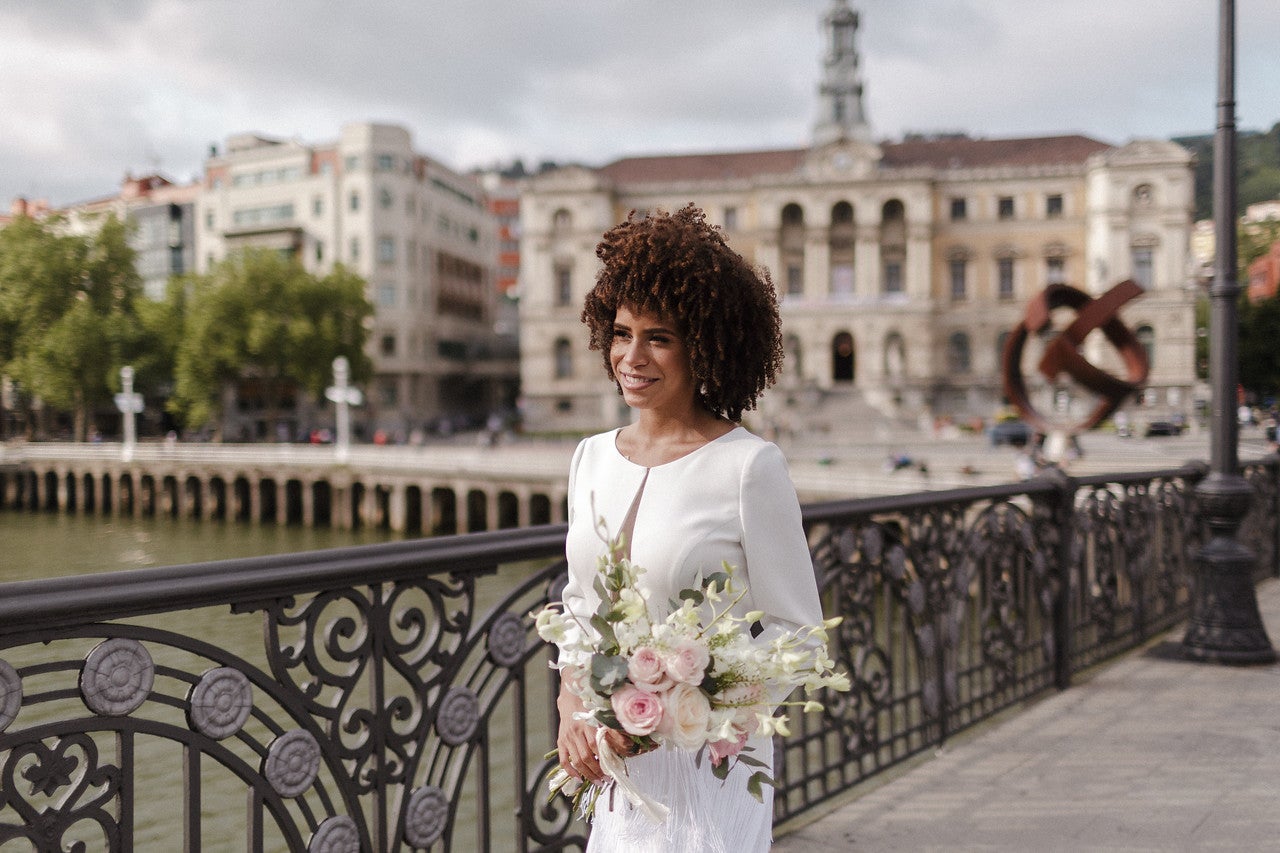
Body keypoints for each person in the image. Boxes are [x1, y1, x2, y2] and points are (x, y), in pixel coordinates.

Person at [555, 206, 825, 852]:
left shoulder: (748, 466)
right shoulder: (589, 458)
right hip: (618, 766)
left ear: (702, 345)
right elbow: (580, 609)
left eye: (659, 337)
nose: (632, 356)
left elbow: (802, 638)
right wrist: (572, 709)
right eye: (621, 333)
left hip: (713, 766)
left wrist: (677, 708)